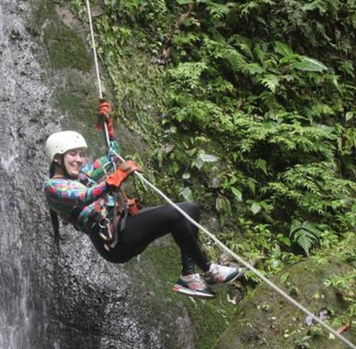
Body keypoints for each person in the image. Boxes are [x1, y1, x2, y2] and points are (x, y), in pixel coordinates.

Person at [43, 100, 243, 299]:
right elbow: (83, 196)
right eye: (72, 154)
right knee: (175, 215)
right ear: (57, 158)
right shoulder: (53, 186)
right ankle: (210, 270)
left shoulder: (84, 175)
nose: (79, 159)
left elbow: (112, 156)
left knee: (189, 209)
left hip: (124, 226)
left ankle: (189, 276)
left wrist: (107, 128)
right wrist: (114, 179)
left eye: (81, 155)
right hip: (113, 242)